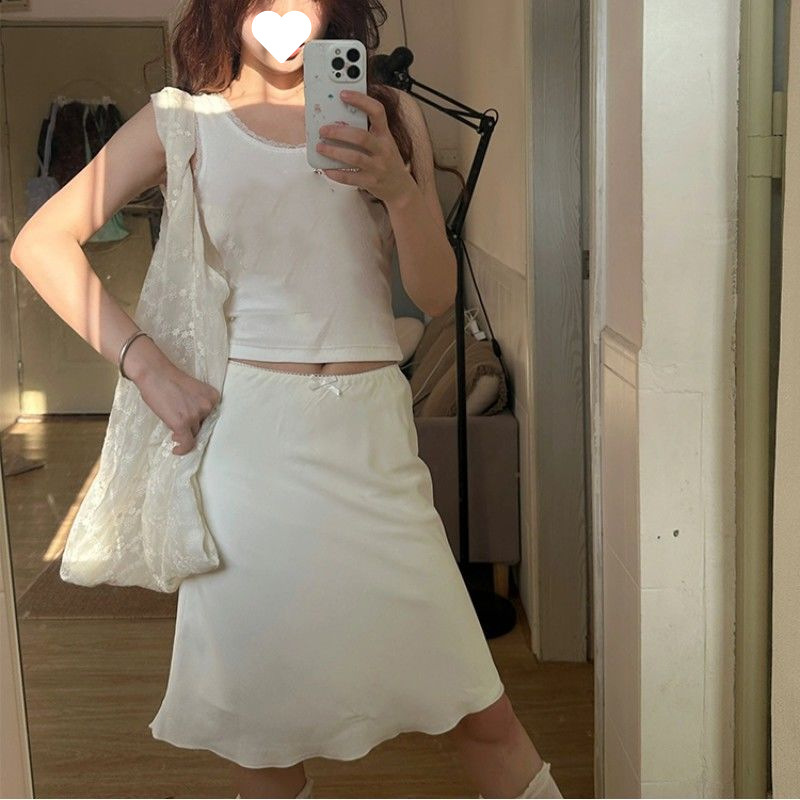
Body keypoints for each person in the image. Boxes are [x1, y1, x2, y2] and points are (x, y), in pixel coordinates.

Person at [10, 1, 563, 798]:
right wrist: (148, 366)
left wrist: (399, 190)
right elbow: (41, 242)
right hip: (249, 451)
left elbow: (436, 296)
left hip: (371, 444)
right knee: (260, 734)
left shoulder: (384, 110)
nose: (286, 9)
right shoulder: (183, 121)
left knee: (480, 710)